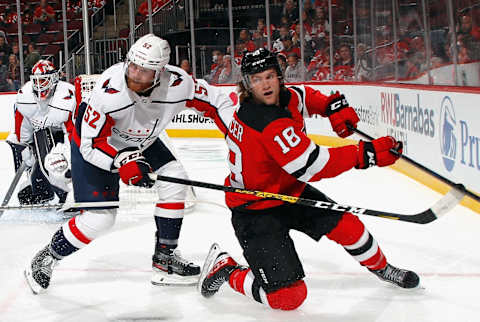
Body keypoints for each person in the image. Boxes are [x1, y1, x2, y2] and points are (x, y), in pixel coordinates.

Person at [198, 48, 420, 311]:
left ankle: (383, 269)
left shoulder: (285, 97)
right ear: (247, 84)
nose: (265, 84)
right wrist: (365, 154)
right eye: (256, 79)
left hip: (288, 192)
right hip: (254, 210)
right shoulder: (265, 120)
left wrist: (330, 106)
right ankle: (227, 269)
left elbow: (303, 97)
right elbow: (310, 165)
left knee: (349, 227)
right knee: (288, 297)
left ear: (280, 77)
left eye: (269, 76)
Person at [24, 34, 234, 294]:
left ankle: (165, 260)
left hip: (141, 139)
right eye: (132, 65)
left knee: (174, 174)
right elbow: (91, 144)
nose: (134, 74)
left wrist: (240, 142)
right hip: (97, 143)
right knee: (100, 219)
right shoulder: (110, 91)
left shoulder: (180, 84)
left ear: (160, 72)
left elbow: (218, 102)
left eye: (144, 70)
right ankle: (48, 257)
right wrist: (122, 160)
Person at [8, 59, 76, 207]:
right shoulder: (25, 97)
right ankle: (39, 189)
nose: (40, 85)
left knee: (61, 161)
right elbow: (22, 128)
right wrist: (26, 147)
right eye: (36, 80)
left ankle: (65, 190)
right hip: (40, 134)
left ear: (54, 79)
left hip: (62, 135)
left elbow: (71, 132)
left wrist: (71, 156)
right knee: (31, 144)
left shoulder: (65, 95)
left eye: (44, 80)